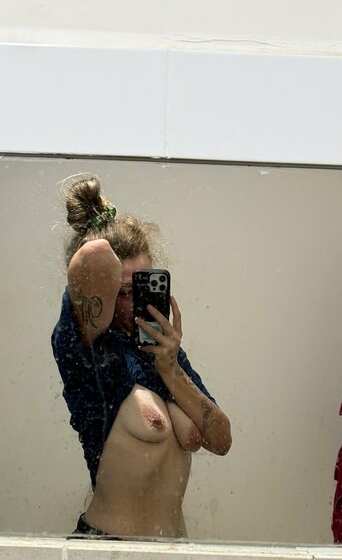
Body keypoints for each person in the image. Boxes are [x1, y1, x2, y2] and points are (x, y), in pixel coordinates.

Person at [51, 177, 231, 538]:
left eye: (143, 286)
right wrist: (98, 224)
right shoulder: (89, 355)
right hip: (109, 549)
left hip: (174, 551)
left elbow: (221, 441)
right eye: (123, 292)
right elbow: (92, 259)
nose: (136, 303)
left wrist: (171, 368)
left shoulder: (165, 353)